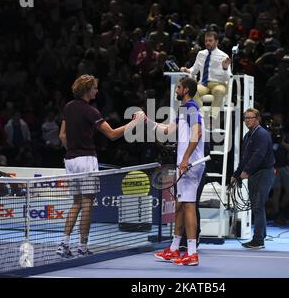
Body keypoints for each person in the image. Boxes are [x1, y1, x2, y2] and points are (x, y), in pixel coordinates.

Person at [56, 74, 142, 258]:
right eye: (94, 87)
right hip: (86, 160)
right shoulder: (91, 111)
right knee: (87, 203)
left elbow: (62, 136)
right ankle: (82, 246)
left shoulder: (68, 107)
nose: (96, 90)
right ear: (87, 90)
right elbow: (112, 135)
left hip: (70, 160)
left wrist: (73, 150)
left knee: (77, 203)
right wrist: (135, 122)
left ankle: (63, 244)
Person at [148, 77, 205, 266]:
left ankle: (192, 253)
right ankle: (173, 250)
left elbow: (197, 134)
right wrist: (146, 121)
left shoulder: (191, 107)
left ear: (186, 89)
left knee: (188, 206)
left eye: (178, 87)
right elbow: (166, 130)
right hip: (184, 163)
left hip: (190, 164)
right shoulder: (183, 109)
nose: (176, 89)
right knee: (180, 206)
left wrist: (186, 158)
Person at [231, 108, 275, 249]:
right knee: (257, 205)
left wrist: (246, 172)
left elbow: (258, 156)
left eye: (250, 117)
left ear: (258, 119)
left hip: (263, 173)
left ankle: (258, 240)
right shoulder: (248, 135)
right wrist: (237, 174)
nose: (248, 120)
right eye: (246, 118)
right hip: (255, 174)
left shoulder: (261, 134)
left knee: (257, 206)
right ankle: (262, 235)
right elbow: (245, 158)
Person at [180, 30, 231, 126]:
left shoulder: (224, 56)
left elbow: (228, 77)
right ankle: (201, 115)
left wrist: (225, 68)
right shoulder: (201, 54)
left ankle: (212, 118)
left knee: (219, 91)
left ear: (216, 42)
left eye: (210, 40)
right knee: (192, 90)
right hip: (203, 84)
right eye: (206, 41)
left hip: (218, 84)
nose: (207, 43)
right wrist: (187, 70)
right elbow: (194, 70)